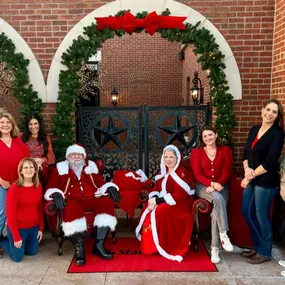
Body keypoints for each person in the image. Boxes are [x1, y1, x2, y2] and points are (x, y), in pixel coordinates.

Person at [44, 144, 121, 266]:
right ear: (68, 157)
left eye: (79, 154)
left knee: (106, 203)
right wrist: (55, 194)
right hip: (71, 199)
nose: (76, 157)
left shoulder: (90, 168)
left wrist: (110, 187)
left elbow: (100, 182)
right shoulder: (60, 169)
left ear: (83, 156)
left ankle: (99, 245)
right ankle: (80, 249)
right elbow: (51, 186)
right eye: (73, 154)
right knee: (70, 208)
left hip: (91, 198)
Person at [241, 98, 284, 264]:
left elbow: (270, 162)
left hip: (266, 181)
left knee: (261, 216)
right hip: (251, 177)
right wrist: (246, 170)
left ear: (277, 116)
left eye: (274, 112)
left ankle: (265, 251)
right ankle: (257, 246)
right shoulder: (254, 129)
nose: (270, 114)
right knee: (246, 212)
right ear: (262, 110)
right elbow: (246, 154)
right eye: (268, 109)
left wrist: (249, 176)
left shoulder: (277, 134)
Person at [135, 144, 195, 262]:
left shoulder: (181, 173)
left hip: (180, 205)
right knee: (148, 207)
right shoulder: (162, 172)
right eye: (166, 157)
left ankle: (164, 244)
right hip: (167, 202)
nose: (168, 159)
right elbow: (156, 189)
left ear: (177, 158)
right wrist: (153, 200)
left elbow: (179, 196)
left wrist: (158, 201)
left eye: (171, 157)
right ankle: (152, 245)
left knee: (161, 210)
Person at [190, 126, 234, 264]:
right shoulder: (196, 152)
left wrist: (217, 184)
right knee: (217, 198)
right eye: (205, 136)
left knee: (216, 208)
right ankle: (223, 233)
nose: (208, 138)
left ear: (216, 135)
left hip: (222, 186)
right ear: (202, 139)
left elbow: (227, 171)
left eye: (210, 135)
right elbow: (197, 174)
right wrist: (211, 184)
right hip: (202, 186)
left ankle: (215, 247)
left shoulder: (225, 151)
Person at [0, 158, 44, 262]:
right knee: (18, 258)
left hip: (33, 227)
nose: (29, 170)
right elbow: (10, 215)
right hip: (18, 228)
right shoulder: (14, 188)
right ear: (21, 171)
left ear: (35, 170)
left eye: (31, 167)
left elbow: (40, 208)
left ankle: (21, 244)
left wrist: (41, 228)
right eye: (25, 167)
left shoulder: (38, 186)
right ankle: (3, 239)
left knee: (32, 252)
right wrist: (16, 236)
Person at [0, 111, 30, 237]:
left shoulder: (17, 141)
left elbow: (27, 160)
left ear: (12, 125)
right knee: (2, 213)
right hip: (2, 184)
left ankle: (15, 239)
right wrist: (1, 181)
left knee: (17, 212)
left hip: (18, 184)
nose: (5, 125)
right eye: (2, 122)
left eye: (8, 122)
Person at [21, 114, 55, 185]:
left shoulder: (45, 138)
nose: (33, 127)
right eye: (30, 124)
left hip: (41, 167)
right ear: (27, 126)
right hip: (27, 166)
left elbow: (50, 154)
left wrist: (42, 160)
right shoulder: (22, 137)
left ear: (39, 124)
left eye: (35, 123)